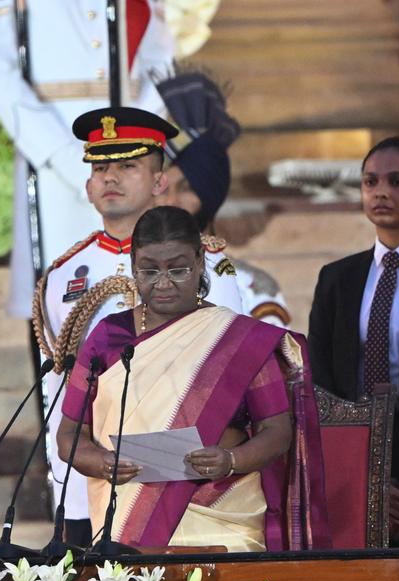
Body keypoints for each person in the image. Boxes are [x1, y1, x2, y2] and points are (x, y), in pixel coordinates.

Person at [56, 206, 331, 551]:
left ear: (201, 261)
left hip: (224, 512)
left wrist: (232, 461)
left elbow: (277, 431)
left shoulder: (235, 338)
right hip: (128, 516)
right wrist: (99, 462)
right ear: (133, 265)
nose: (164, 283)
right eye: (150, 271)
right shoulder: (108, 338)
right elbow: (69, 436)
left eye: (179, 269)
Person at [32, 107, 244, 546]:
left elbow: (224, 373)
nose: (111, 178)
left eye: (128, 165)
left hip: (180, 477)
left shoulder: (210, 265)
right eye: (101, 167)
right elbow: (58, 388)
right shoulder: (63, 274)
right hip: (87, 480)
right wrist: (66, 472)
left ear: (159, 181)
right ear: (88, 187)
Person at [0, 0, 173, 319]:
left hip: (131, 160)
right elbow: (0, 77)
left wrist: (136, 147)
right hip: (50, 164)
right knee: (59, 305)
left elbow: (161, 66)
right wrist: (66, 158)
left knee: (136, 298)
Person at [307, 136, 399, 547]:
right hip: (350, 474)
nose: (382, 192)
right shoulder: (337, 279)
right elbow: (321, 387)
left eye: (397, 181)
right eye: (371, 182)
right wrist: (364, 479)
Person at [153, 69, 293, 326]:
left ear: (210, 193)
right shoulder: (123, 279)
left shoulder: (252, 287)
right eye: (163, 188)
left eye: (186, 188)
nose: (170, 201)